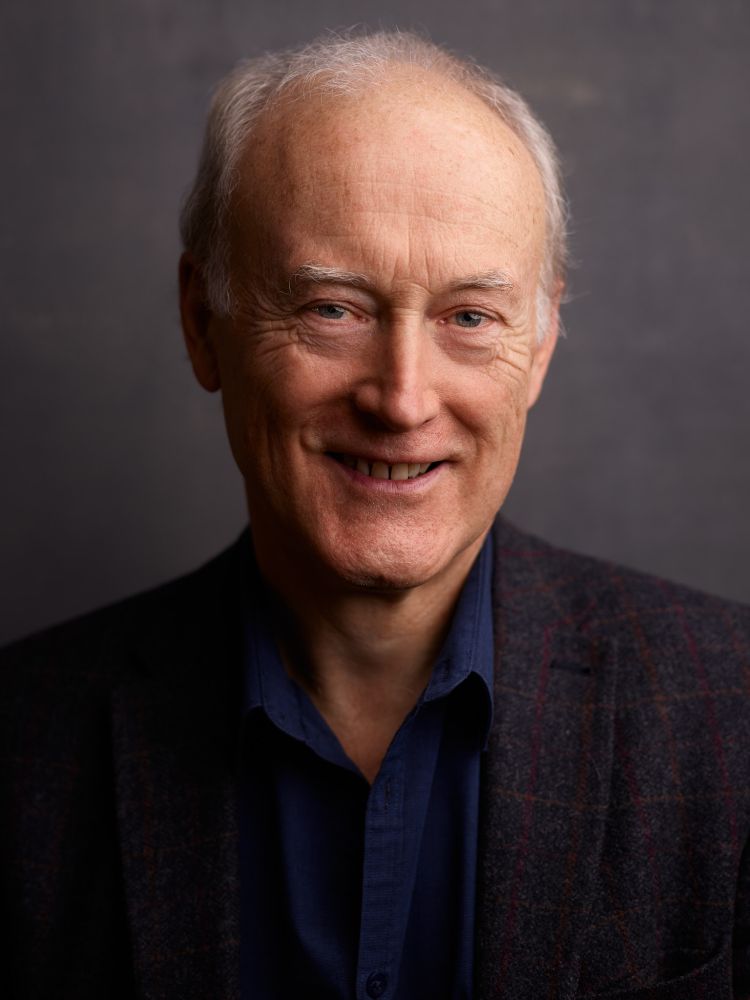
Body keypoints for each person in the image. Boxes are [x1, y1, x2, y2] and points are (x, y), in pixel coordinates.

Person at [1, 30, 749, 1000]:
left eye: (468, 318)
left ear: (543, 339)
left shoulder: (733, 720)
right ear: (202, 321)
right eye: (332, 309)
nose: (401, 398)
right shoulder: (23, 752)